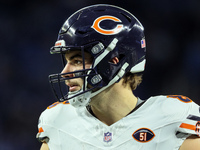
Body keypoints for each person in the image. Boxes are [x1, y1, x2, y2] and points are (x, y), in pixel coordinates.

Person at [36, 4, 200, 150]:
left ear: (114, 61)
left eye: (77, 61)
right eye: (67, 62)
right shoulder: (58, 122)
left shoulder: (172, 118)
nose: (65, 72)